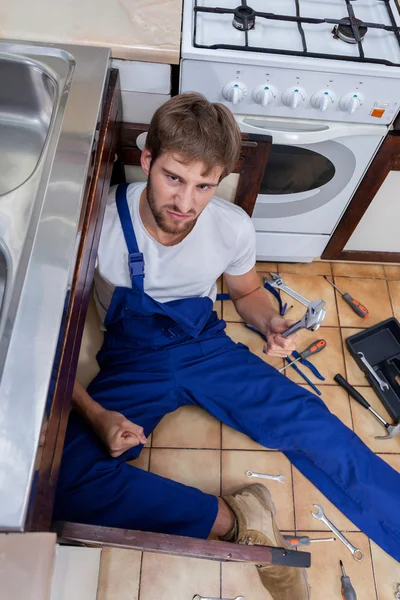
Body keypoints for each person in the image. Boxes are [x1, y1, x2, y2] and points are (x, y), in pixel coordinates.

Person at [54, 93, 400, 599]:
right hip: (133, 359)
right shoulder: (97, 224)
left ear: (220, 180)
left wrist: (272, 324)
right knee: (64, 483)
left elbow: (246, 293)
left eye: (203, 186)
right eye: (174, 177)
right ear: (148, 161)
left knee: (312, 424)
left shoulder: (230, 226)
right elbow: (54, 346)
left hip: (205, 348)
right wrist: (94, 411)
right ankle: (233, 518)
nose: (186, 203)